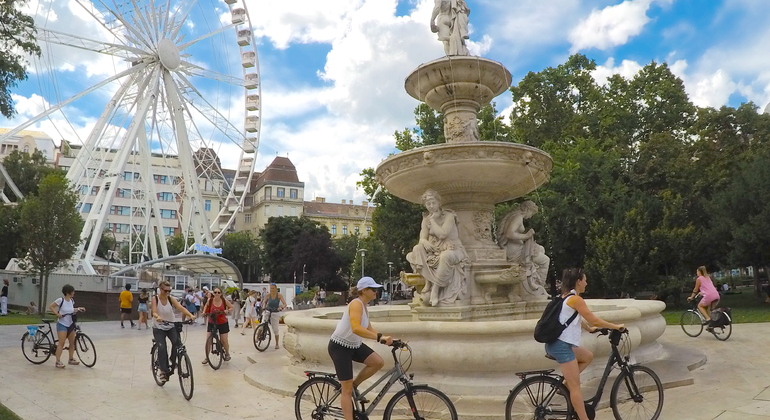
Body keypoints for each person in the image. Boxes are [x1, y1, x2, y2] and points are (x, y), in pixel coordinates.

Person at [545, 268, 624, 420]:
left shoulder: (566, 297)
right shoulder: (576, 300)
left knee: (587, 356)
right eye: (585, 280)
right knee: (576, 388)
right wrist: (615, 326)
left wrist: (589, 328)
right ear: (578, 281)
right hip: (561, 346)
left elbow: (572, 318)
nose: (586, 283)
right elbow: (594, 318)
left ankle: (566, 384)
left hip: (558, 344)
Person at [328, 277, 394, 420]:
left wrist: (386, 338)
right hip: (340, 346)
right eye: (373, 289)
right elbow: (356, 328)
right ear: (364, 290)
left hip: (354, 345)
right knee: (345, 389)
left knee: (377, 362)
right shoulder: (356, 304)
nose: (376, 292)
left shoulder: (364, 306)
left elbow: (368, 328)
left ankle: (354, 385)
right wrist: (379, 338)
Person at [406, 189, 469, 306]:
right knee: (416, 249)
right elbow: (422, 237)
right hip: (435, 250)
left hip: (454, 249)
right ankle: (429, 281)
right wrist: (424, 242)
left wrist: (433, 220)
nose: (430, 206)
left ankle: (435, 289)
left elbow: (442, 234)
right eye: (428, 204)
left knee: (445, 256)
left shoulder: (449, 216)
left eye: (433, 203)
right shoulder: (426, 219)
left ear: (439, 203)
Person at [151, 280, 194, 382]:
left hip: (170, 325)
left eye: (169, 291)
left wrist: (190, 315)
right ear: (160, 289)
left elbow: (180, 308)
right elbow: (154, 311)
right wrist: (157, 317)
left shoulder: (171, 299)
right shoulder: (155, 299)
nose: (167, 293)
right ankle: (163, 370)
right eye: (165, 291)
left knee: (177, 343)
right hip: (159, 327)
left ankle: (172, 360)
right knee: (162, 347)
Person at [49, 284, 87, 369]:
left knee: (72, 342)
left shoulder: (71, 301)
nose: (74, 293)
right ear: (67, 292)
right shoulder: (60, 300)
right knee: (61, 343)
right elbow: (51, 306)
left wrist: (78, 309)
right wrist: (57, 314)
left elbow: (71, 310)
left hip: (70, 324)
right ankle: (58, 361)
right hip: (62, 324)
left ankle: (71, 358)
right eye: (72, 291)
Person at [202, 286, 233, 364]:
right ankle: (207, 357)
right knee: (208, 340)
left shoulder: (224, 300)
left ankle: (227, 353)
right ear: (213, 293)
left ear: (221, 294)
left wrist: (227, 311)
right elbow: (206, 306)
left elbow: (232, 307)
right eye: (215, 292)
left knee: (224, 340)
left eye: (218, 292)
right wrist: (204, 312)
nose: (217, 294)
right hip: (212, 322)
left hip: (222, 322)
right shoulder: (210, 300)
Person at [688, 266, 721, 330]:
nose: (696, 273)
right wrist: (702, 292)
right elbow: (708, 288)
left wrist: (691, 297)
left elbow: (695, 289)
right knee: (709, 309)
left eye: (697, 271)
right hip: (716, 295)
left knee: (699, 306)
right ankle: (711, 325)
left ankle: (708, 319)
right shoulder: (708, 277)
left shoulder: (699, 279)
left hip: (709, 296)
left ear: (699, 272)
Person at [263, 284, 287, 349]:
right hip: (268, 310)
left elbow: (285, 304)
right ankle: (257, 337)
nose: (272, 290)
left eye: (273, 288)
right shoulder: (268, 295)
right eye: (270, 288)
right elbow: (265, 302)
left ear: (276, 289)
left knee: (275, 329)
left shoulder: (279, 295)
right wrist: (263, 307)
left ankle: (277, 343)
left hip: (275, 311)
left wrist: (281, 308)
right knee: (262, 325)